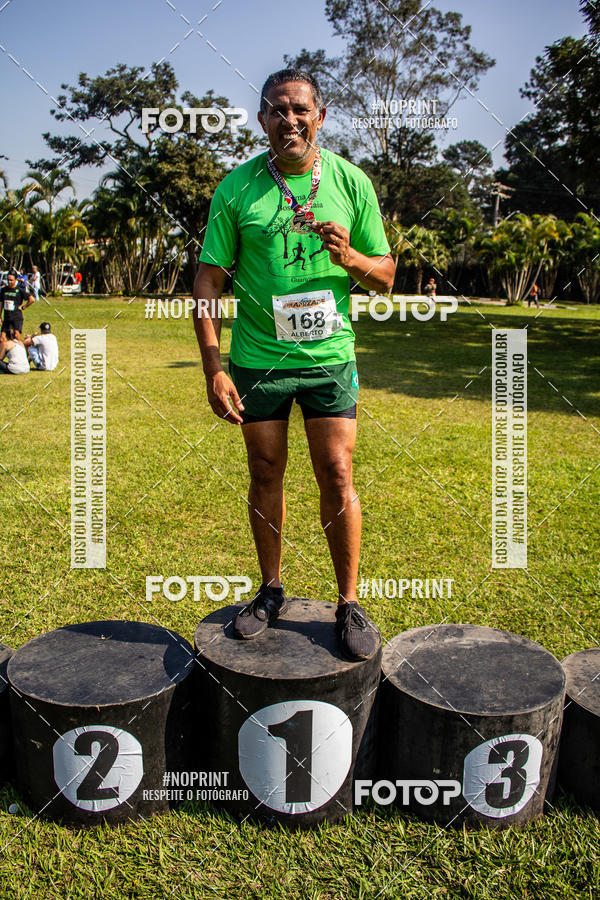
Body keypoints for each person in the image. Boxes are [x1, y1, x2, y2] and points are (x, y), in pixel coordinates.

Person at [193, 68, 396, 660]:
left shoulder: (351, 183)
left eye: (301, 109)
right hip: (258, 359)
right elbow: (208, 278)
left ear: (321, 116)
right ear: (263, 121)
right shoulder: (237, 189)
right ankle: (271, 589)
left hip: (329, 355)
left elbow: (384, 276)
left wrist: (351, 255)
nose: (291, 120)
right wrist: (213, 364)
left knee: (336, 471)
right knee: (264, 471)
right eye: (278, 111)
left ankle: (349, 601)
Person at [0, 270, 34, 339]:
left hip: (16, 317)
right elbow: (1, 303)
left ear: (16, 279)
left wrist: (23, 307)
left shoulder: (19, 290)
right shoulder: (4, 290)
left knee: (16, 336)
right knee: (2, 338)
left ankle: (20, 349)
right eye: (8, 280)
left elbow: (32, 299)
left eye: (11, 280)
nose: (9, 282)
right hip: (7, 317)